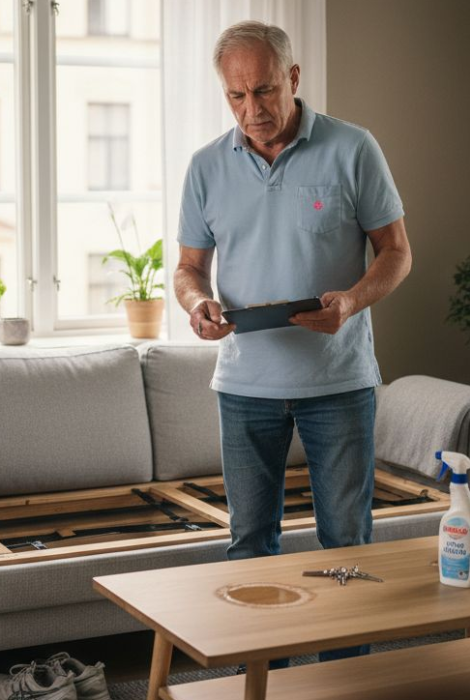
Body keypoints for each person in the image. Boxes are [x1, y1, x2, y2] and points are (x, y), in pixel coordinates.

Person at [173, 20, 412, 664]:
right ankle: (265, 680)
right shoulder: (204, 168)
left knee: (348, 547)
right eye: (236, 96)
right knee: (251, 548)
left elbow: (397, 252)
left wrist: (353, 301)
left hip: (340, 384)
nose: (252, 110)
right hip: (245, 388)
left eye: (265, 91)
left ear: (294, 79)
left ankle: (345, 682)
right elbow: (189, 269)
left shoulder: (353, 148)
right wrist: (198, 305)